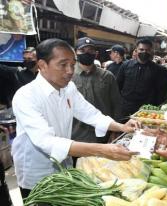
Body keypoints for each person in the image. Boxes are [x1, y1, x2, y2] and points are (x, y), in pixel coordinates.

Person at [11, 38, 139, 199]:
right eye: (63, 65)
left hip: (64, 166)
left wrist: (122, 127)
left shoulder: (68, 88)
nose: (70, 71)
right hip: (37, 171)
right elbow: (46, 141)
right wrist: (103, 150)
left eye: (72, 64)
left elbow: (90, 113)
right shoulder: (26, 96)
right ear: (42, 65)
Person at [72, 37, 121, 147]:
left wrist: (115, 131)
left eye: (90, 51)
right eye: (82, 51)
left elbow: (116, 105)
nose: (87, 53)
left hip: (103, 136)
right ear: (75, 53)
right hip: (76, 137)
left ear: (96, 54)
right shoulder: (68, 76)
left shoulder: (107, 77)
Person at [117, 38, 167, 121]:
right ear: (136, 50)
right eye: (141, 49)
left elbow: (162, 92)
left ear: (151, 51)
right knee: (124, 132)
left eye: (147, 50)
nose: (144, 52)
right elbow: (118, 85)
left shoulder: (160, 70)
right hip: (126, 110)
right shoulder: (125, 66)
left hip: (147, 112)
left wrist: (156, 109)